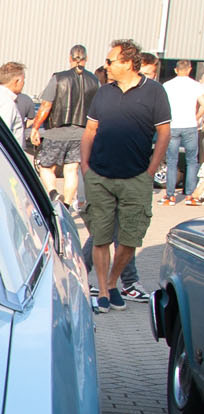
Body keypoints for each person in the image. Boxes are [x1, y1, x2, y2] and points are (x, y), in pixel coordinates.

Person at [82, 39, 170, 313]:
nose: (105, 66)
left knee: (129, 240)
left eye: (110, 61)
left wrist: (151, 170)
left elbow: (165, 133)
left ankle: (111, 282)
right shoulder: (103, 93)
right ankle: (105, 292)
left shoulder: (154, 92)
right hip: (100, 176)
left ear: (128, 63)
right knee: (100, 237)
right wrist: (85, 167)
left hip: (136, 178)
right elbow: (90, 131)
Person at [32, 45, 99, 209]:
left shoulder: (58, 78)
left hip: (57, 131)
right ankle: (67, 205)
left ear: (70, 58)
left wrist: (35, 127)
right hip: (82, 133)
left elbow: (46, 106)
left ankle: (53, 193)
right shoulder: (94, 81)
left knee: (45, 166)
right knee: (71, 170)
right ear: (86, 59)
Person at [162, 59, 203, 204]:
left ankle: (170, 195)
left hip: (173, 125)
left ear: (175, 70)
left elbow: (163, 106)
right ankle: (190, 195)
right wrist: (196, 117)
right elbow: (203, 104)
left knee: (172, 161)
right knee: (192, 161)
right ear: (190, 69)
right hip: (190, 125)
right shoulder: (196, 85)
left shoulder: (167, 85)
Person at [0, 61, 27, 144]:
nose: (23, 84)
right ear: (16, 81)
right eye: (23, 80)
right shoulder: (7, 104)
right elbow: (2, 135)